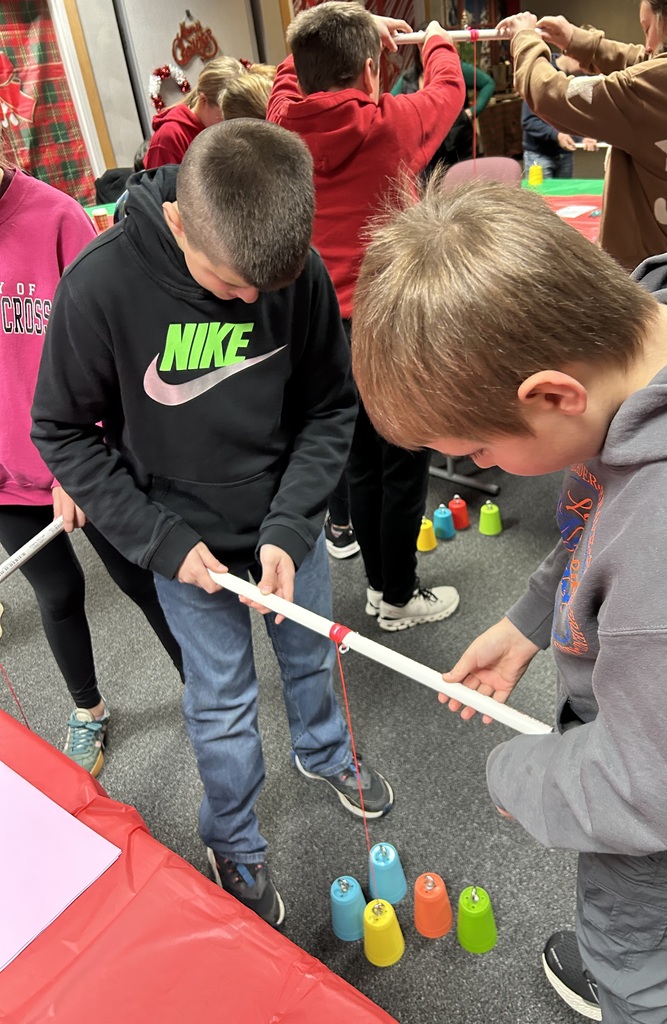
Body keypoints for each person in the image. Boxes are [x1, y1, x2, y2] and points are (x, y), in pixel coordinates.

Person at [350, 177, 667, 1024]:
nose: (487, 468)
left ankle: (630, 949)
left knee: (642, 961)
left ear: (551, 396)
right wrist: (529, 618)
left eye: (479, 450)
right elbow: (597, 512)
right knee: (664, 913)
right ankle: (642, 929)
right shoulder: (652, 331)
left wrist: (519, 773)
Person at [31, 119, 393, 927]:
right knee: (221, 708)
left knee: (311, 653)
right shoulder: (100, 286)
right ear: (180, 223)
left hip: (285, 526)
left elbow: (331, 406)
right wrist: (162, 543)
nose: (249, 303)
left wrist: (293, 524)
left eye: (266, 287)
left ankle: (325, 752)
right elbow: (58, 431)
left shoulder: (282, 273)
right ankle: (231, 839)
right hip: (183, 545)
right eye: (229, 286)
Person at [267, 1, 462, 630]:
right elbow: (449, 90)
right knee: (402, 461)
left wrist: (336, 37)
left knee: (358, 459)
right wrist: (435, 40)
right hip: (386, 327)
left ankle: (382, 582)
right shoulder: (391, 125)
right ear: (373, 71)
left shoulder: (281, 131)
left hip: (320, 332)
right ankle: (395, 596)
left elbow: (284, 82)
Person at [0, 151, 183, 776]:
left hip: (83, 458)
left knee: (139, 578)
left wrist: (75, 466)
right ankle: (88, 709)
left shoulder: (56, 218)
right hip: (6, 482)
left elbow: (110, 354)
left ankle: (205, 688)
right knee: (57, 593)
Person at [497, 1, 667, 271]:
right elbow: (646, 62)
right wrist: (576, 40)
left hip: (650, 267)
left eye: (647, 29)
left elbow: (553, 96)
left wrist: (524, 40)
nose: (646, 45)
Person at [390, 25, 496, 176]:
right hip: (427, 151)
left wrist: (471, 112)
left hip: (457, 145)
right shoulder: (409, 78)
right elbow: (391, 104)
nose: (429, 53)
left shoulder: (455, 68)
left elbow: (488, 83)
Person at [143, 55, 247, 169]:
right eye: (225, 114)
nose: (231, 122)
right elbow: (161, 185)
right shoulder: (170, 137)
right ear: (203, 100)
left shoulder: (215, 130)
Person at [521, 52, 599, 179]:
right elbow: (529, 121)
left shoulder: (579, 78)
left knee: (564, 198)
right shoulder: (543, 75)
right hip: (539, 156)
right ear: (569, 53)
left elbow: (577, 117)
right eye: (583, 64)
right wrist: (557, 135)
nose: (585, 69)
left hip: (565, 155)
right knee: (540, 198)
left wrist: (584, 137)